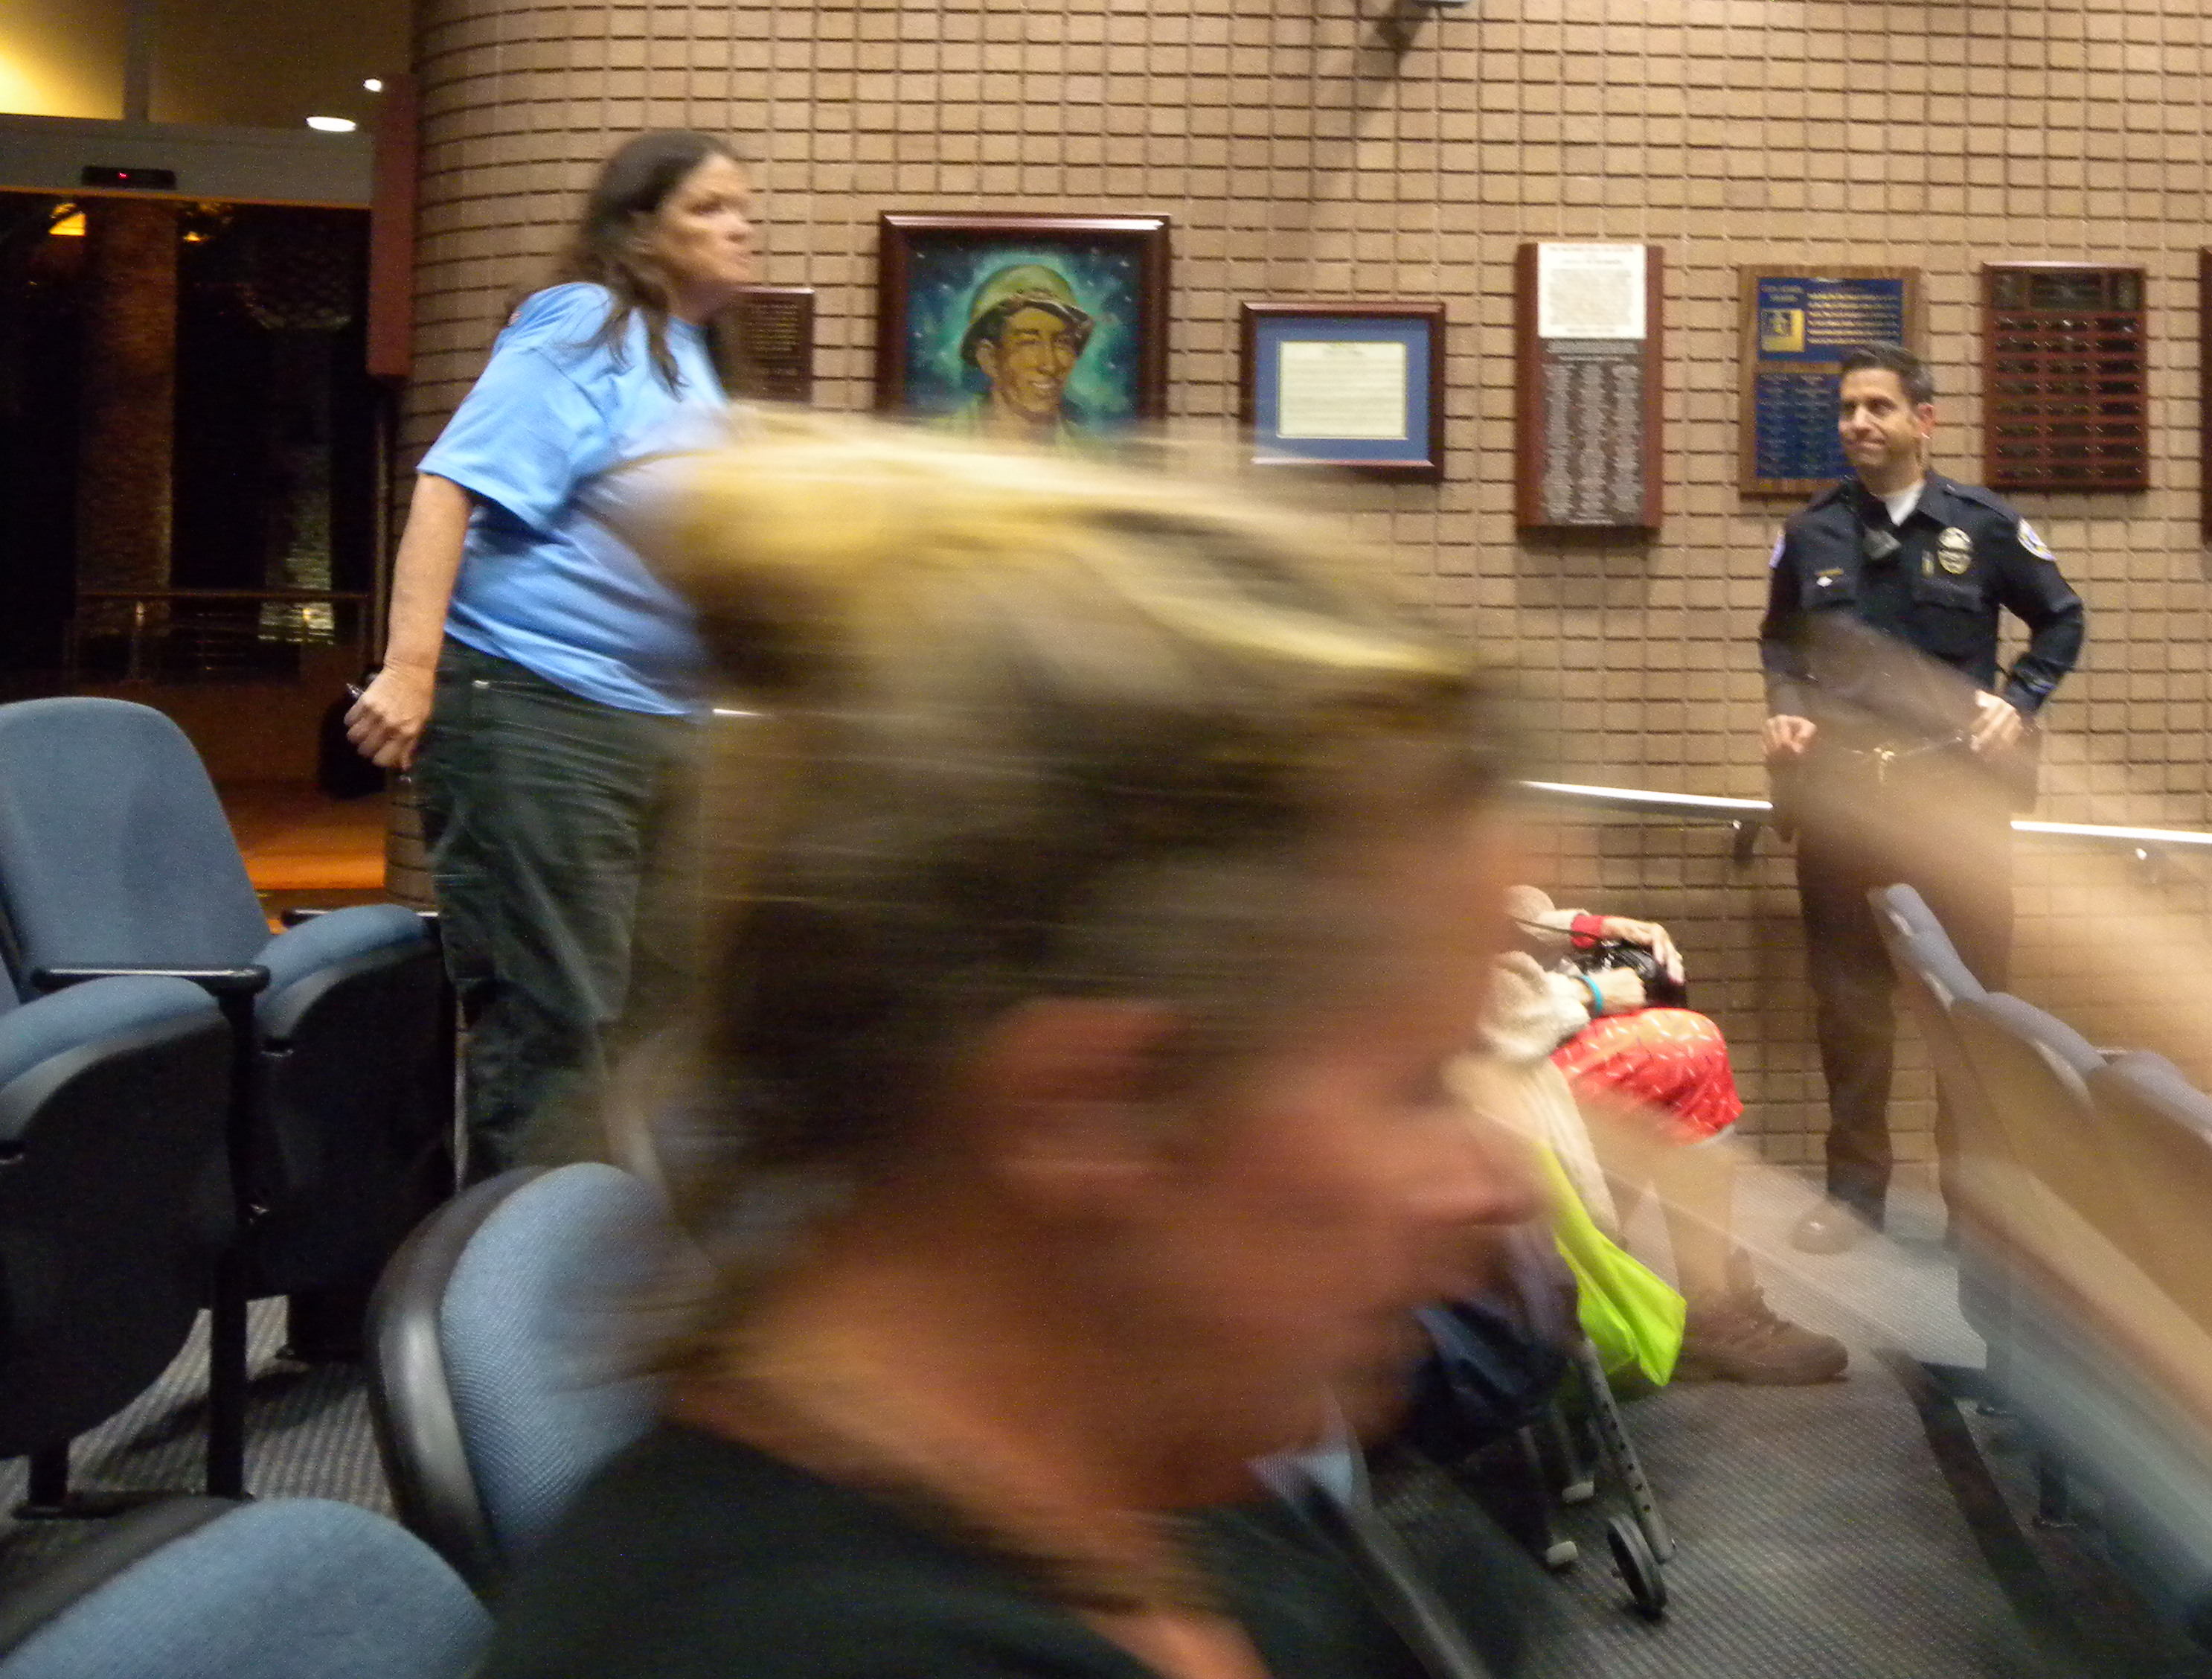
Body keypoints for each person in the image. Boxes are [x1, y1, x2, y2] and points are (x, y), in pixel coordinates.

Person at [488, 421, 1548, 1679]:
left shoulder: (1185, 1509)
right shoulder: (791, 1652)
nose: (1494, 1190)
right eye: (1417, 1086)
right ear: (1088, 1111)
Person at [346, 132, 751, 1177]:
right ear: (638, 229)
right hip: (539, 709)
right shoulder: (587, 323)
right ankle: (513, 1275)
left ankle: (614, 1256)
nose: (740, 227)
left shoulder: (693, 361)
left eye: (743, 208)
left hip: (659, 724)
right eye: (709, 208)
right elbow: (450, 485)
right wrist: (410, 669)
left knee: (660, 1024)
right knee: (558, 1027)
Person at [1758, 343, 2083, 1250]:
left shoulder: (1982, 525)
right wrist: (1787, 707)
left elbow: (2062, 617)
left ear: (1924, 420)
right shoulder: (1813, 532)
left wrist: (2020, 702)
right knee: (1850, 1010)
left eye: (1878, 407)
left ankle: (1977, 1209)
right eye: (1848, 409)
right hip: (1846, 807)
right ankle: (1855, 1197)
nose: (1858, 423)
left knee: (1971, 1010)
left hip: (1954, 809)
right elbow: (1780, 643)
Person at [1476, 889, 1847, 1384]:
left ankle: (1696, 1299)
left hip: (1504, 1036)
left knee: (1684, 1051)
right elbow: (1443, 998)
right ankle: (1683, 1304)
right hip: (1464, 1079)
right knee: (1686, 1048)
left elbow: (1478, 911)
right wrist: (1588, 992)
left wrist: (1590, 928)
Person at [957, 262, 1097, 440]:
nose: (1050, 365)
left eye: (1062, 343)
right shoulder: (940, 440)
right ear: (989, 358)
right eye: (1030, 343)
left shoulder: (1095, 453)